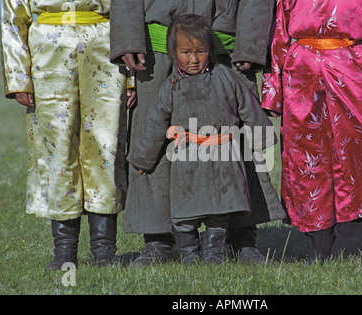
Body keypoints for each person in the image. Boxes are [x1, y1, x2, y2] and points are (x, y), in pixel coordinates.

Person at [110, 0, 284, 265]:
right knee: (155, 140)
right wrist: (127, 38)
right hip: (156, 54)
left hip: (227, 52)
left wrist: (251, 42)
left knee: (239, 147)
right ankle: (158, 239)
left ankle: (243, 237)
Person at [261, 0, 362, 260]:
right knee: (306, 159)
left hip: (353, 70)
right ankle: (319, 245)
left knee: (357, 158)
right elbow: (278, 30)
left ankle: (351, 242)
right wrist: (272, 89)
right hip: (300, 73)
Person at [0, 0, 136, 270]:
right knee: (58, 149)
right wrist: (18, 78)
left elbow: (128, 9)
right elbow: (13, 17)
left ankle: (104, 249)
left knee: (105, 146)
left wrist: (131, 75)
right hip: (48, 54)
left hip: (105, 48)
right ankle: (64, 250)